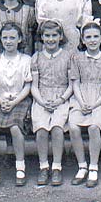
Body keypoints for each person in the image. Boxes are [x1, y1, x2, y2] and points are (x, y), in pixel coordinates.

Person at [68, 22, 101, 188]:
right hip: (81, 98)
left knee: (94, 127)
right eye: (88, 37)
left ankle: (94, 166)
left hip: (100, 99)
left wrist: (94, 104)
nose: (92, 40)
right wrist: (82, 102)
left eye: (96, 36)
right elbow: (75, 83)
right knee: (73, 127)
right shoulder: (76, 58)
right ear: (82, 39)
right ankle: (82, 166)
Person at [0, 23, 32, 189]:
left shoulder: (26, 60)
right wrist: (1, 101)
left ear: (19, 39)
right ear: (0, 39)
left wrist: (14, 102)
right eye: (5, 37)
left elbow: (27, 85)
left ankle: (20, 167)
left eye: (12, 37)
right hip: (0, 99)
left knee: (15, 128)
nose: (8, 41)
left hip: (20, 100)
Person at [31, 20, 73, 187]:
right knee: (41, 129)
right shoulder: (36, 57)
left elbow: (71, 84)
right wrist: (41, 101)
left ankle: (56, 167)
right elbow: (34, 85)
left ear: (60, 36)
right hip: (42, 97)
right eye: (47, 36)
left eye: (54, 35)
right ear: (41, 37)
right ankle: (43, 166)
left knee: (57, 128)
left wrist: (60, 100)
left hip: (61, 97)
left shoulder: (68, 56)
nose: (50, 39)